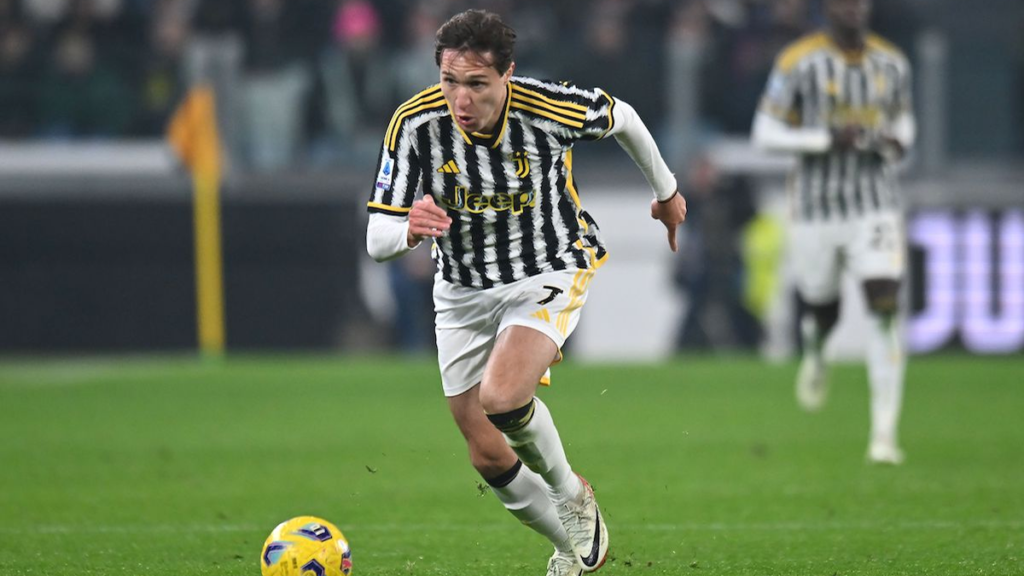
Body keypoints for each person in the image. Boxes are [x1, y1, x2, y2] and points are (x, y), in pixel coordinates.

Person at [365, 10, 686, 576]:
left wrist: (666, 192)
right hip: (461, 288)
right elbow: (377, 239)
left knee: (503, 396)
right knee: (487, 452)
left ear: (507, 74)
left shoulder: (546, 107)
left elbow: (624, 118)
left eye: (476, 83)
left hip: (548, 267)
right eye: (449, 81)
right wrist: (408, 231)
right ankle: (569, 546)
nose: (460, 98)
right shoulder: (414, 125)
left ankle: (571, 493)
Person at [751, 0, 915, 464]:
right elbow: (764, 132)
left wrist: (899, 140)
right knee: (823, 308)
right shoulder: (798, 61)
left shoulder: (892, 62)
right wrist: (824, 139)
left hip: (875, 204)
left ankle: (884, 435)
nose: (854, 8)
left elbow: (904, 119)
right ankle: (817, 349)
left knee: (884, 304)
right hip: (816, 208)